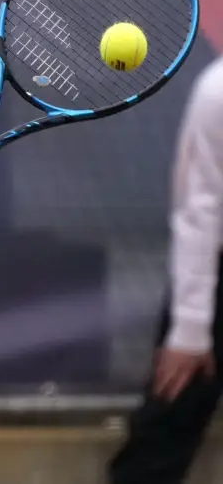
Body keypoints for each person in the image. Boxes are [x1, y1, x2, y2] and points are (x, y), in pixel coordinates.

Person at [107, 54, 223, 484]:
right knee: (163, 434)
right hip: (213, 287)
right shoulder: (218, 90)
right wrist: (192, 329)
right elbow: (200, 208)